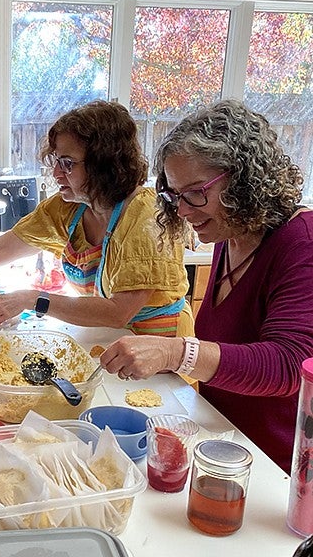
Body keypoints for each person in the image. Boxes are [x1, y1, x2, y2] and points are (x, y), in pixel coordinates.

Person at [98, 99, 313, 473]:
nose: (182, 211)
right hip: (223, 445)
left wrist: (175, 353)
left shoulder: (302, 243)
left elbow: (289, 365)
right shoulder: (229, 234)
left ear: (244, 181)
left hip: (277, 468)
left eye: (196, 192)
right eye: (175, 195)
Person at [0, 100, 193, 337]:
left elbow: (117, 312)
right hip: (111, 343)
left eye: (67, 164)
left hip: (160, 353)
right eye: (56, 160)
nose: (56, 173)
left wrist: (33, 299)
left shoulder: (145, 216)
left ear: (104, 164)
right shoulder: (68, 209)